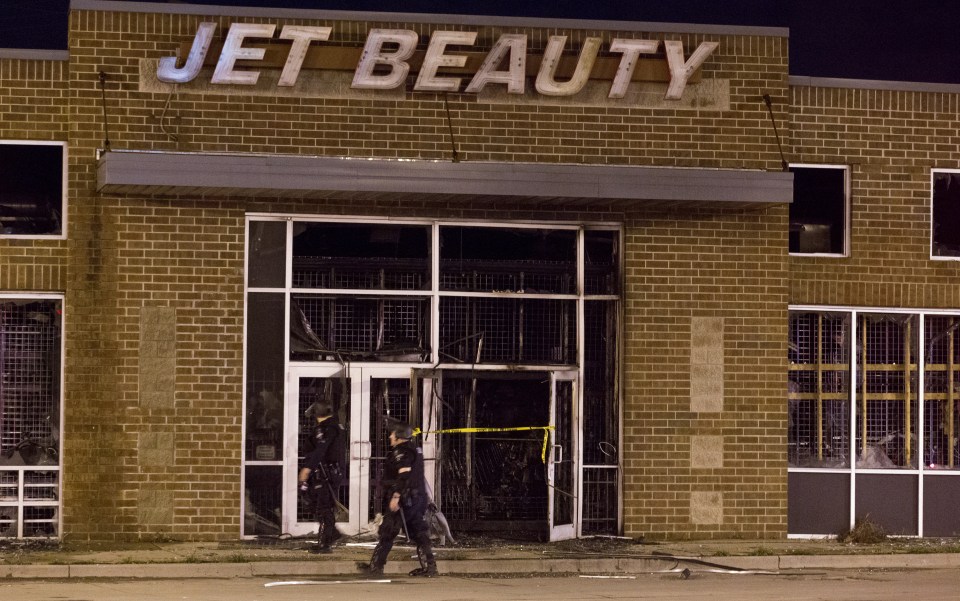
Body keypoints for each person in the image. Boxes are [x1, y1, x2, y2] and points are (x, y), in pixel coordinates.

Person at [358, 419, 439, 577]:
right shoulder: (415, 449)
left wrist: (396, 496)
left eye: (392, 434)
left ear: (399, 436)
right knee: (419, 532)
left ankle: (376, 568)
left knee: (387, 532)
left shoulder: (401, 452)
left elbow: (404, 476)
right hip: (416, 498)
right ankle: (430, 567)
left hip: (404, 500)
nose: (390, 437)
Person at [298, 400, 345, 553]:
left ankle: (325, 544)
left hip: (326, 473)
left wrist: (307, 468)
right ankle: (332, 534)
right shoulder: (335, 426)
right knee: (318, 503)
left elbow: (321, 450)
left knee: (324, 507)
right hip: (330, 471)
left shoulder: (326, 428)